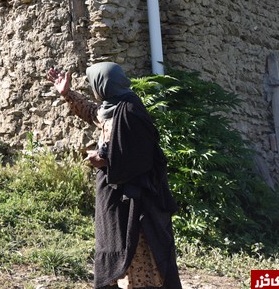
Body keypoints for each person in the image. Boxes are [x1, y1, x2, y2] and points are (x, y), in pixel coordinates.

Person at [47, 62, 181, 289]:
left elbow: (142, 156)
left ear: (104, 84)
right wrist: (67, 94)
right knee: (112, 241)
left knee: (136, 247)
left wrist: (105, 160)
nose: (93, 89)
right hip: (113, 191)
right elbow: (93, 114)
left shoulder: (131, 110)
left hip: (134, 199)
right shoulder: (113, 106)